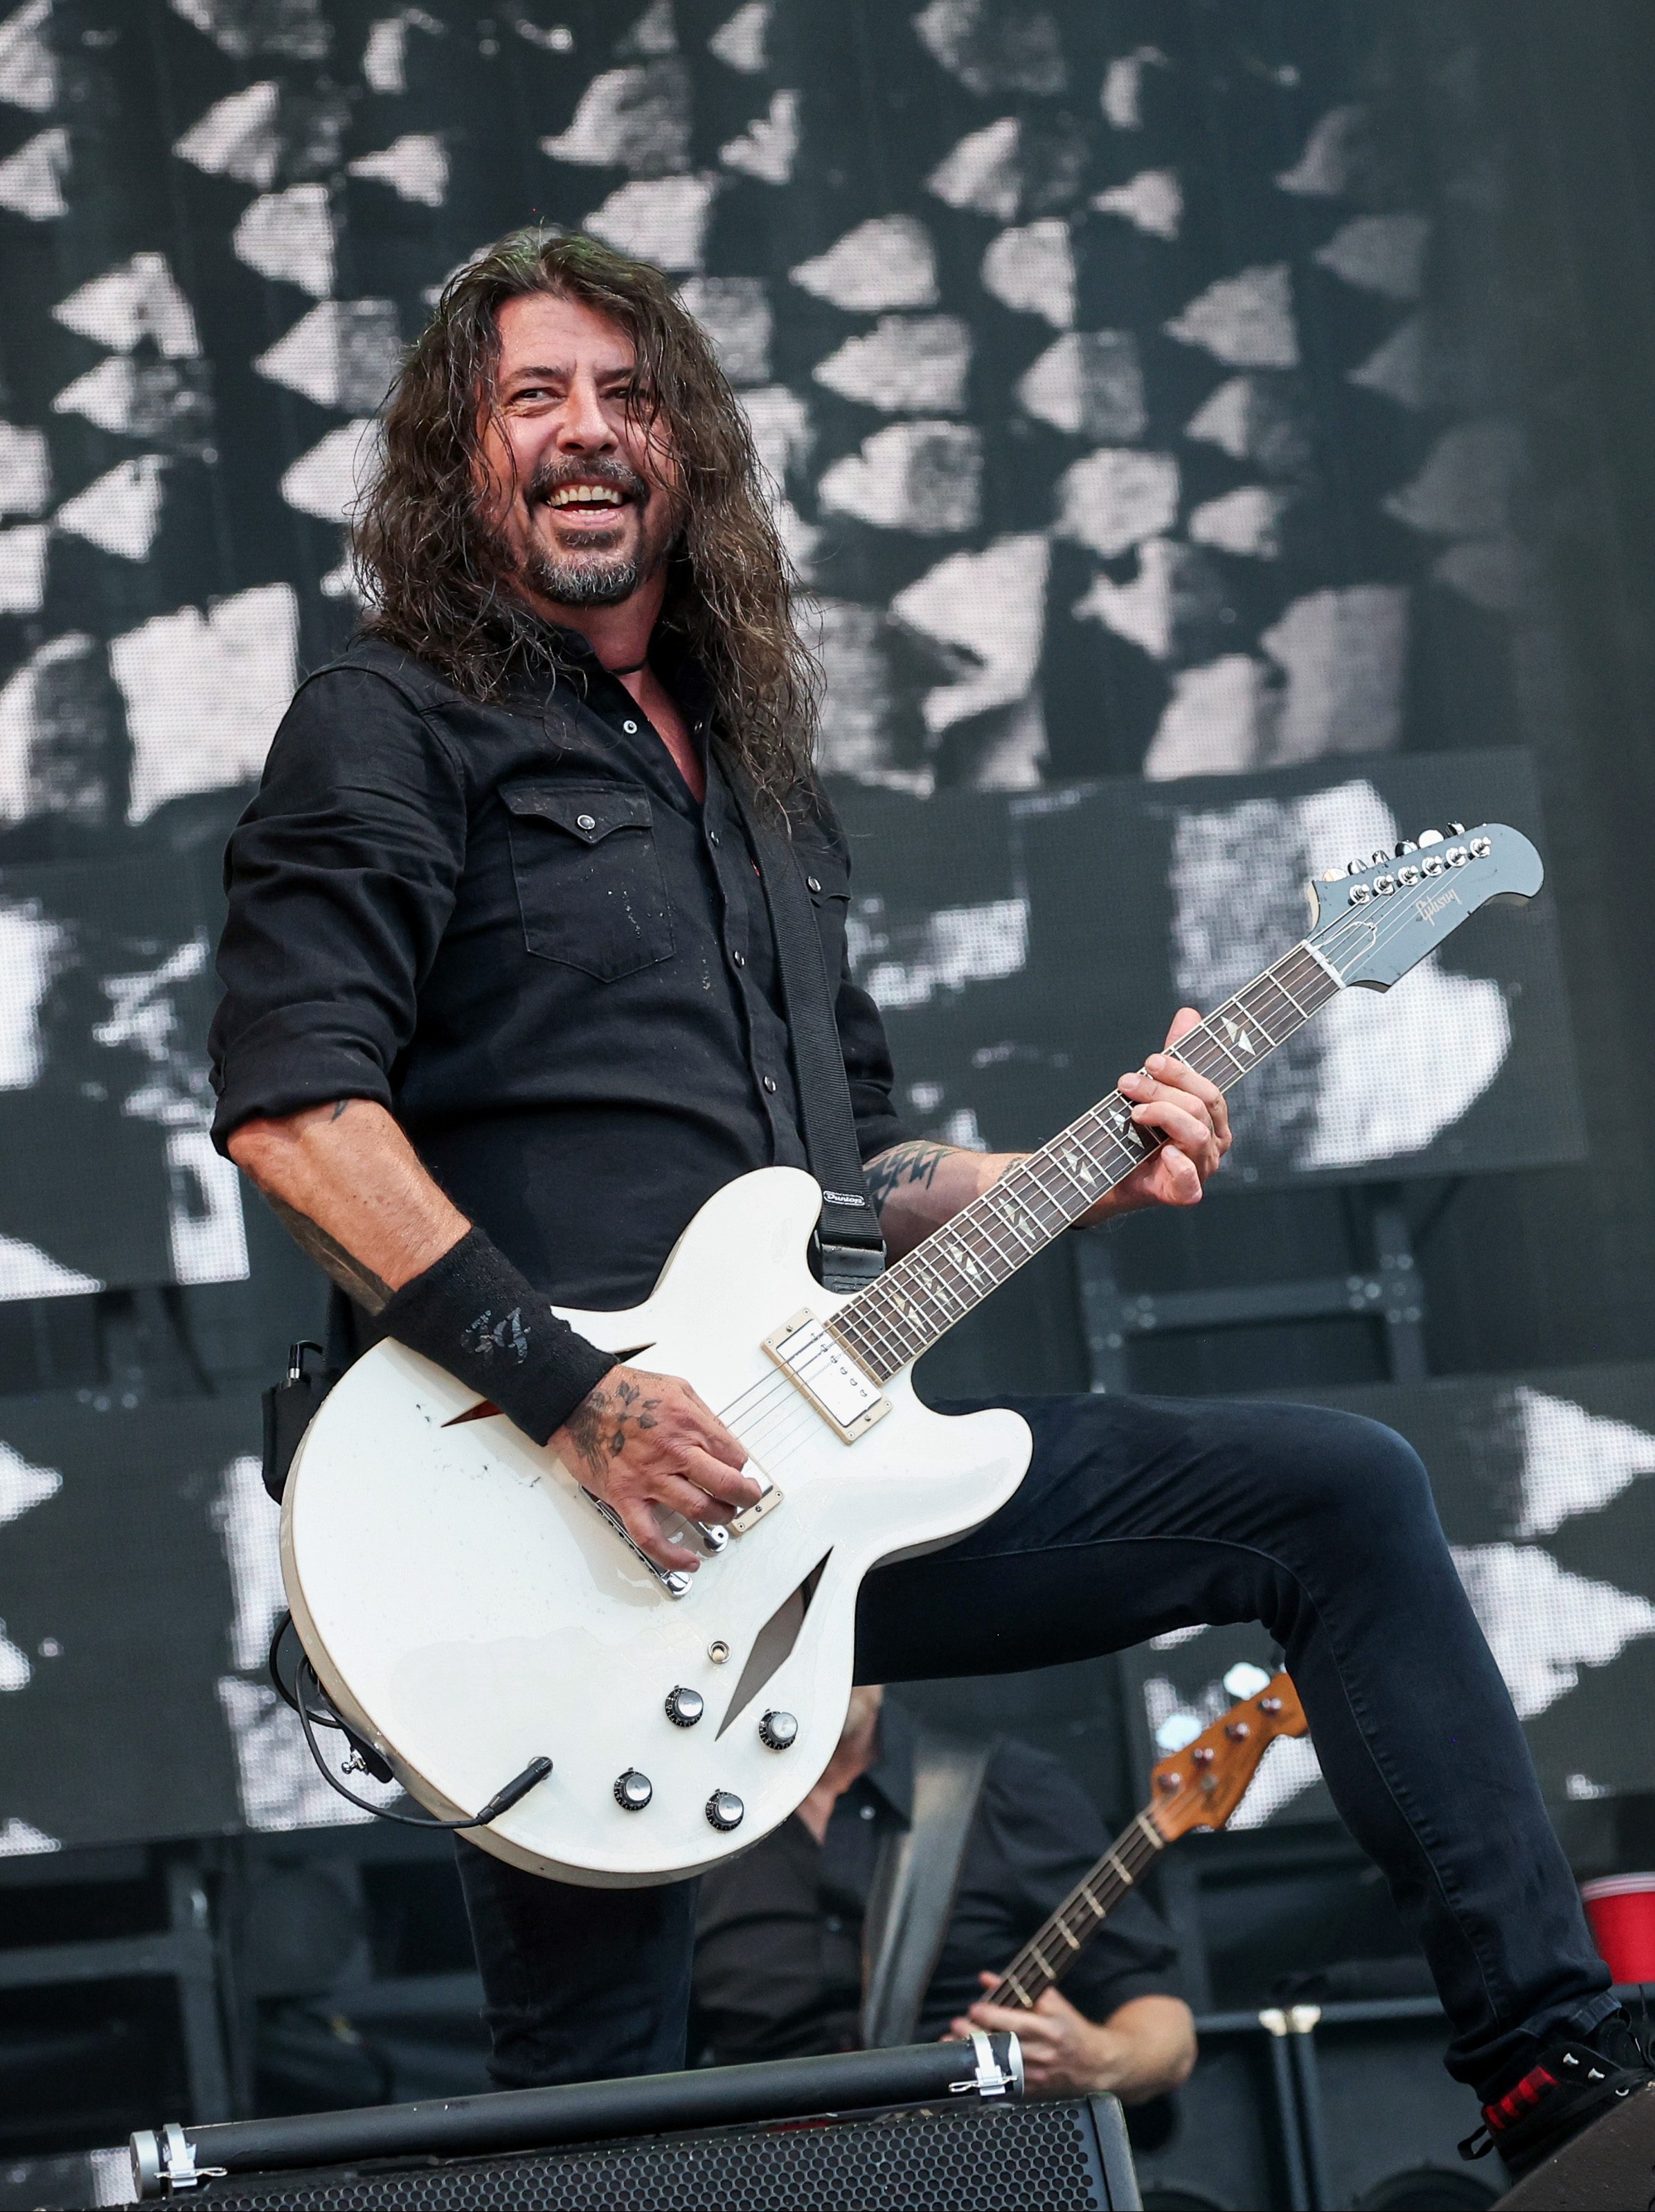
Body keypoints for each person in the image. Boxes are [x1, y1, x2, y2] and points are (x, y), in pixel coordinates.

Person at [208, 228, 1644, 2181]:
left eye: (627, 396)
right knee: (600, 2098)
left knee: (1333, 1496)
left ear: (685, 450)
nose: (584, 434)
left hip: (818, 1492)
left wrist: (1064, 1179)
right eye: (529, 396)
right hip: (542, 1520)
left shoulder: (764, 789)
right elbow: (296, 1114)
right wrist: (578, 1398)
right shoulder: (386, 724)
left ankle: (1551, 2069)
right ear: (453, 459)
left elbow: (850, 1181)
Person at [690, 1686, 1197, 2104]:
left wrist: (1101, 2062)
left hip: (983, 2177)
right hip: (765, 2177)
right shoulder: (683, 1834)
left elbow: (1168, 2034)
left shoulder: (1006, 1788)